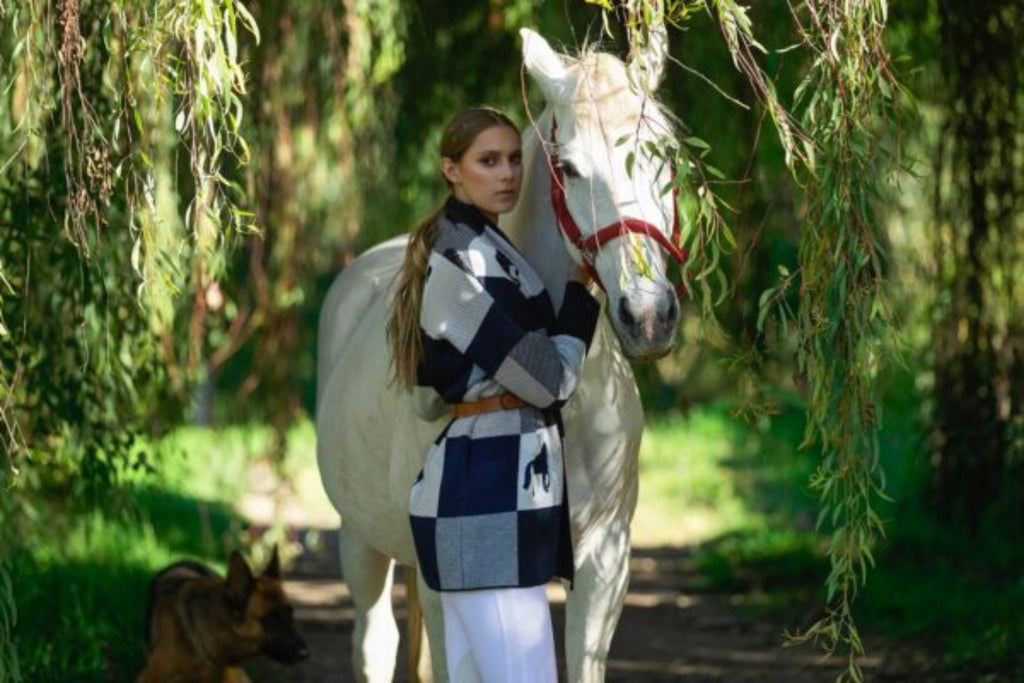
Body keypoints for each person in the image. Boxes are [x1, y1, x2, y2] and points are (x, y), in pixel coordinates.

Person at [387, 106, 600, 683]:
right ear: (451, 170)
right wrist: (582, 298)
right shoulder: (462, 260)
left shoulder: (493, 249)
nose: (507, 173)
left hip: (492, 493)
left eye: (512, 160)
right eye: (488, 161)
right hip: (481, 502)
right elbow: (549, 380)